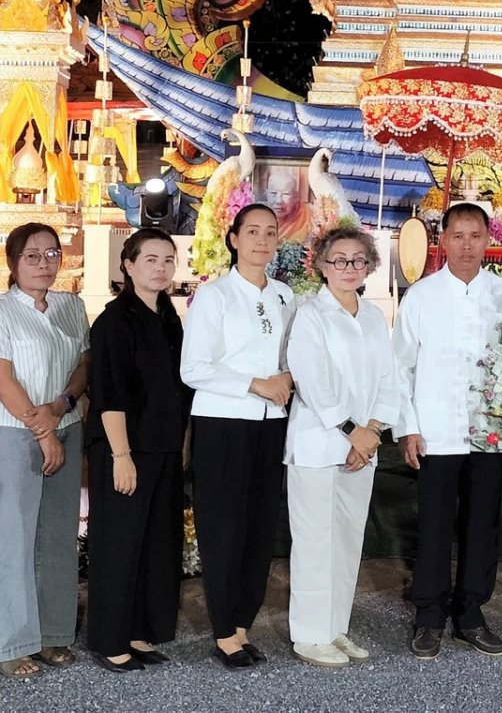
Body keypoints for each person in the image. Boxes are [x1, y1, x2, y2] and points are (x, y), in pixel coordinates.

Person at [395, 203, 502, 660]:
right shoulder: (421, 297)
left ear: (489, 240)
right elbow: (401, 366)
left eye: (476, 236)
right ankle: (429, 614)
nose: (467, 245)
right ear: (442, 240)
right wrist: (408, 427)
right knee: (434, 524)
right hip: (435, 430)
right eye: (458, 235)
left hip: (490, 432)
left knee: (481, 525)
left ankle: (471, 613)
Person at [180, 203, 295, 669]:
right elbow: (193, 368)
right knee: (223, 528)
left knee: (258, 527)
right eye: (252, 231)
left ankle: (244, 622)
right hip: (225, 422)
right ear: (233, 239)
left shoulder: (287, 295)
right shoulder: (214, 296)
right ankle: (223, 629)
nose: (262, 240)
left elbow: (295, 354)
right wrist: (255, 384)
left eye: (270, 232)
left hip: (272, 425)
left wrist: (289, 377)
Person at [284, 227, 404, 668]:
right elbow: (312, 381)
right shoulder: (310, 315)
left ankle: (335, 628)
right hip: (319, 444)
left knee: (348, 540)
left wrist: (372, 431)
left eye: (357, 260)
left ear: (370, 266)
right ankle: (310, 636)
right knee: (315, 541)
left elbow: (388, 379)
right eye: (339, 260)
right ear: (321, 265)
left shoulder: (373, 316)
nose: (348, 268)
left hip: (363, 446)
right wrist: (352, 429)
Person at [0, 222, 90, 678]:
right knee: (13, 538)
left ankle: (51, 634)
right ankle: (7, 643)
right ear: (12, 263)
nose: (44, 263)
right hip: (16, 433)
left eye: (51, 254)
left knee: (57, 536)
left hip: (68, 425)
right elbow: (0, 377)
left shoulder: (71, 306)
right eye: (32, 256)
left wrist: (62, 406)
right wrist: (42, 429)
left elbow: (85, 364)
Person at [85, 230, 191, 672]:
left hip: (163, 446)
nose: (161, 268)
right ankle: (110, 639)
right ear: (128, 265)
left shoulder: (169, 316)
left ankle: (140, 630)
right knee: (120, 544)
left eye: (168, 260)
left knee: (157, 543)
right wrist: (121, 455)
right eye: (150, 259)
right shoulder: (114, 321)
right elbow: (109, 392)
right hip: (125, 448)